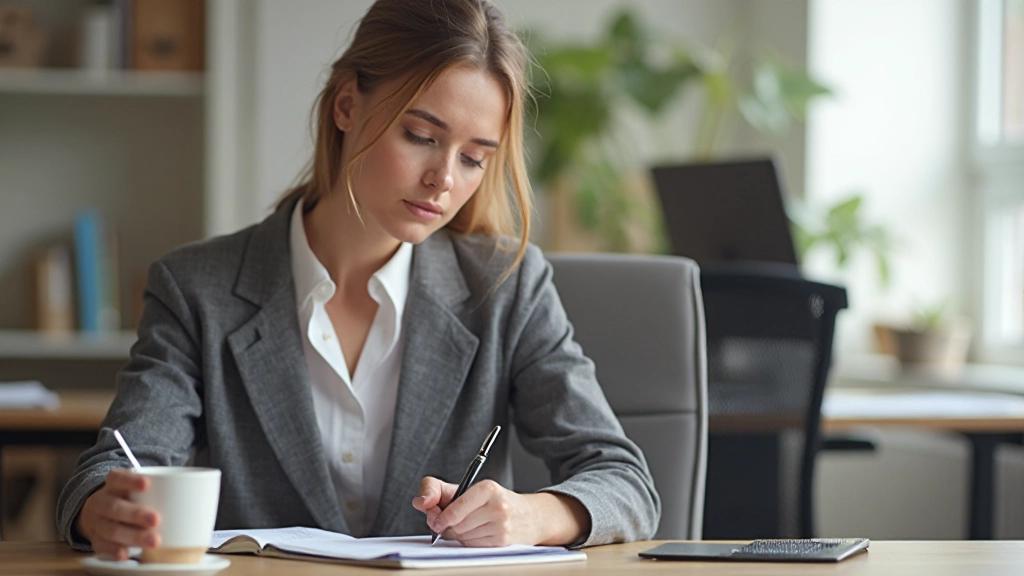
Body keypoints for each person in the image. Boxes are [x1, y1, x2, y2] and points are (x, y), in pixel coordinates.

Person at [57, 0, 659, 560]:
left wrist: (530, 516)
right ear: (346, 105)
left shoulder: (506, 287)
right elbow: (108, 471)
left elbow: (624, 481)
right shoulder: (197, 288)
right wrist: (103, 510)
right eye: (421, 136)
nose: (444, 179)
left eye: (474, 158)